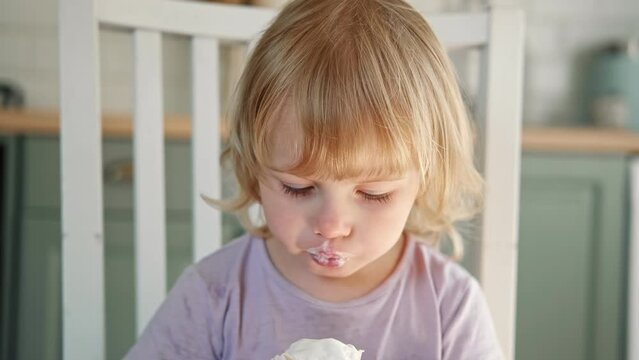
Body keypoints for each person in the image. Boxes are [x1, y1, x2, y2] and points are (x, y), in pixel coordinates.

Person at [125, 0, 502, 358]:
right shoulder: (215, 295)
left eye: (373, 194)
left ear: (425, 180)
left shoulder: (448, 305)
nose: (331, 226)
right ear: (255, 171)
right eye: (298, 187)